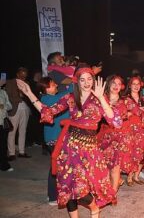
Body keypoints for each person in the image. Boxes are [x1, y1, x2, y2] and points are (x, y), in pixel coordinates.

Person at [17, 67, 121, 217]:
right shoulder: (70, 97)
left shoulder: (99, 99)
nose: (86, 83)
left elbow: (116, 121)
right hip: (69, 147)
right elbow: (48, 111)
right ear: (77, 81)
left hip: (89, 149)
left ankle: (94, 207)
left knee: (82, 189)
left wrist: (100, 98)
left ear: (94, 80)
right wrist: (28, 93)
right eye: (82, 79)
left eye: (89, 79)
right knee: (68, 187)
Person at [38, 77, 70, 206]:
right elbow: (65, 96)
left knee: (57, 166)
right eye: (52, 84)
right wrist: (72, 84)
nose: (56, 85)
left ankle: (52, 193)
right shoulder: (46, 99)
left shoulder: (53, 98)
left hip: (58, 137)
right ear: (45, 89)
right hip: (55, 138)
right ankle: (52, 196)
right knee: (56, 167)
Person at [97, 75, 129, 193]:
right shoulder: (101, 98)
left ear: (121, 87)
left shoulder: (124, 101)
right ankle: (106, 187)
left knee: (115, 166)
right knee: (103, 165)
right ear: (108, 84)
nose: (116, 86)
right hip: (103, 135)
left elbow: (137, 112)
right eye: (114, 83)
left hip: (118, 137)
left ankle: (113, 193)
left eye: (119, 84)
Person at [5, 67, 31, 160]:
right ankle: (11, 153)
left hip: (24, 108)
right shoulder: (9, 82)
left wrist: (24, 95)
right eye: (22, 74)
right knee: (12, 132)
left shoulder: (26, 83)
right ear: (17, 74)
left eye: (25, 75)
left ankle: (21, 152)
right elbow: (7, 96)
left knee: (23, 130)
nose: (23, 77)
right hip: (14, 108)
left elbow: (29, 96)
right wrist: (19, 97)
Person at [0, 78, 13, 171]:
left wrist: (4, 106)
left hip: (2, 121)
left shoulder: (3, 92)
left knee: (3, 145)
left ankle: (4, 165)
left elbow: (9, 106)